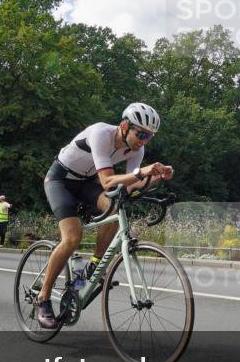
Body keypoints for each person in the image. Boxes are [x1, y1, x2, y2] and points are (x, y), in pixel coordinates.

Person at [35, 102, 173, 328]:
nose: (143, 141)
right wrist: (143, 172)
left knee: (115, 205)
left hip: (85, 183)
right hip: (60, 179)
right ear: (125, 126)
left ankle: (95, 265)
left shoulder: (138, 150)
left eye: (148, 137)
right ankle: (44, 297)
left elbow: (129, 188)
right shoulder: (101, 133)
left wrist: (157, 177)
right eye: (140, 134)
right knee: (72, 237)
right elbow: (108, 181)